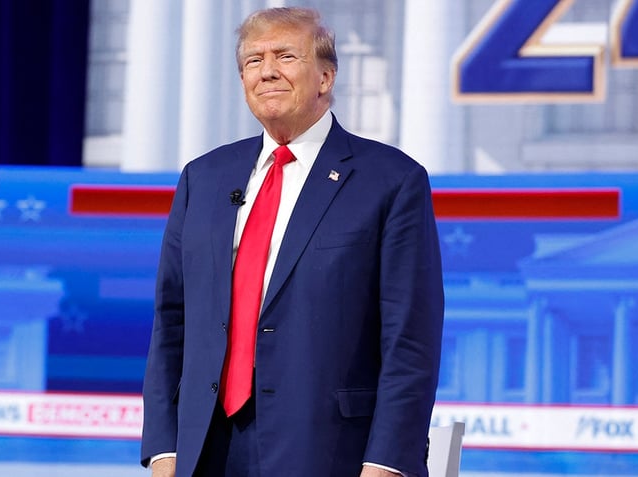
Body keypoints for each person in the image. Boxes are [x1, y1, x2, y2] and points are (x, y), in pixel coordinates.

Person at [141, 7, 443, 477]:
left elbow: (410, 339)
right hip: (206, 450)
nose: (266, 71)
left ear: (325, 76)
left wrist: (386, 462)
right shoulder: (203, 177)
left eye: (285, 55)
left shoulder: (391, 180)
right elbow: (171, 322)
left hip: (331, 452)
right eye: (253, 61)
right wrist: (163, 448)